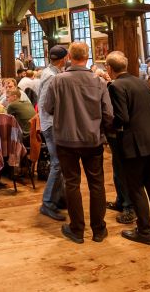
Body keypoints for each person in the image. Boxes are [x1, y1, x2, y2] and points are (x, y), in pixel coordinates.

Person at [41, 42, 113, 244]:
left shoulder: (58, 81)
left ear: (69, 57)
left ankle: (77, 229)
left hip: (66, 139)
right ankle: (98, 229)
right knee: (96, 184)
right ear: (88, 57)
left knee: (72, 184)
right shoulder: (98, 82)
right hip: (92, 140)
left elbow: (48, 108)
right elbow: (108, 113)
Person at [106, 51, 150, 246]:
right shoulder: (143, 82)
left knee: (135, 188)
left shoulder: (116, 86)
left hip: (133, 144)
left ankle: (144, 231)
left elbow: (122, 118)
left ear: (109, 68)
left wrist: (108, 126)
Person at [37, 45, 68, 222]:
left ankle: (59, 198)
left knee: (61, 163)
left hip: (50, 124)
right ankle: (47, 202)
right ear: (64, 59)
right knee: (57, 164)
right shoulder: (51, 76)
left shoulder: (50, 72)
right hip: (51, 125)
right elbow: (45, 104)